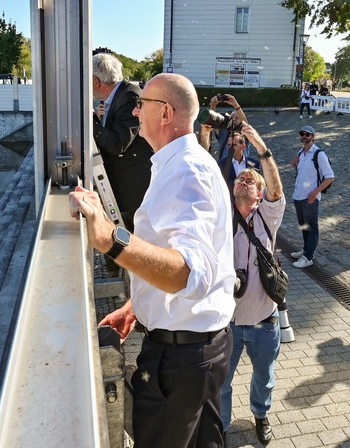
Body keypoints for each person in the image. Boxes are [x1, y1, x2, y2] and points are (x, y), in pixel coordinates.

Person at [69, 73, 235, 447]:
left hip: (181, 359)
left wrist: (112, 239)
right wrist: (138, 304)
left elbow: (188, 273)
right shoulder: (181, 163)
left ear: (165, 113)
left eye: (141, 103)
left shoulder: (186, 171)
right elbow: (188, 258)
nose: (136, 110)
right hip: (199, 351)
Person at [221, 122, 285, 447]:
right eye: (241, 178)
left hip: (263, 320)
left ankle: (261, 415)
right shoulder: (222, 217)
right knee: (221, 382)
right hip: (227, 322)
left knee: (264, 378)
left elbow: (276, 187)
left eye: (252, 180)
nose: (245, 179)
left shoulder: (267, 217)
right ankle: (220, 426)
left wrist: (260, 147)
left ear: (259, 195)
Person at [92, 53, 153, 233]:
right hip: (128, 186)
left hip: (134, 190)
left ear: (96, 81)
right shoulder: (121, 95)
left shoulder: (129, 96)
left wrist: (90, 121)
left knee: (134, 244)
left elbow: (118, 144)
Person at [289, 125, 334, 268]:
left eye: (307, 134)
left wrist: (315, 193)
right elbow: (303, 173)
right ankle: (306, 249)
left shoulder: (319, 154)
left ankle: (308, 257)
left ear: (313, 137)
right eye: (302, 134)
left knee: (312, 228)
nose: (304, 136)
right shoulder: (301, 153)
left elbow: (329, 177)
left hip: (310, 198)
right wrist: (294, 165)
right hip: (298, 196)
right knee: (304, 226)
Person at [198, 93, 249, 159]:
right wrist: (212, 106)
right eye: (232, 116)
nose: (234, 119)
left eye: (237, 117)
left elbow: (245, 123)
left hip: (242, 168)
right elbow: (212, 122)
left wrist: (235, 105)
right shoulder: (224, 133)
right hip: (224, 168)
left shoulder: (245, 135)